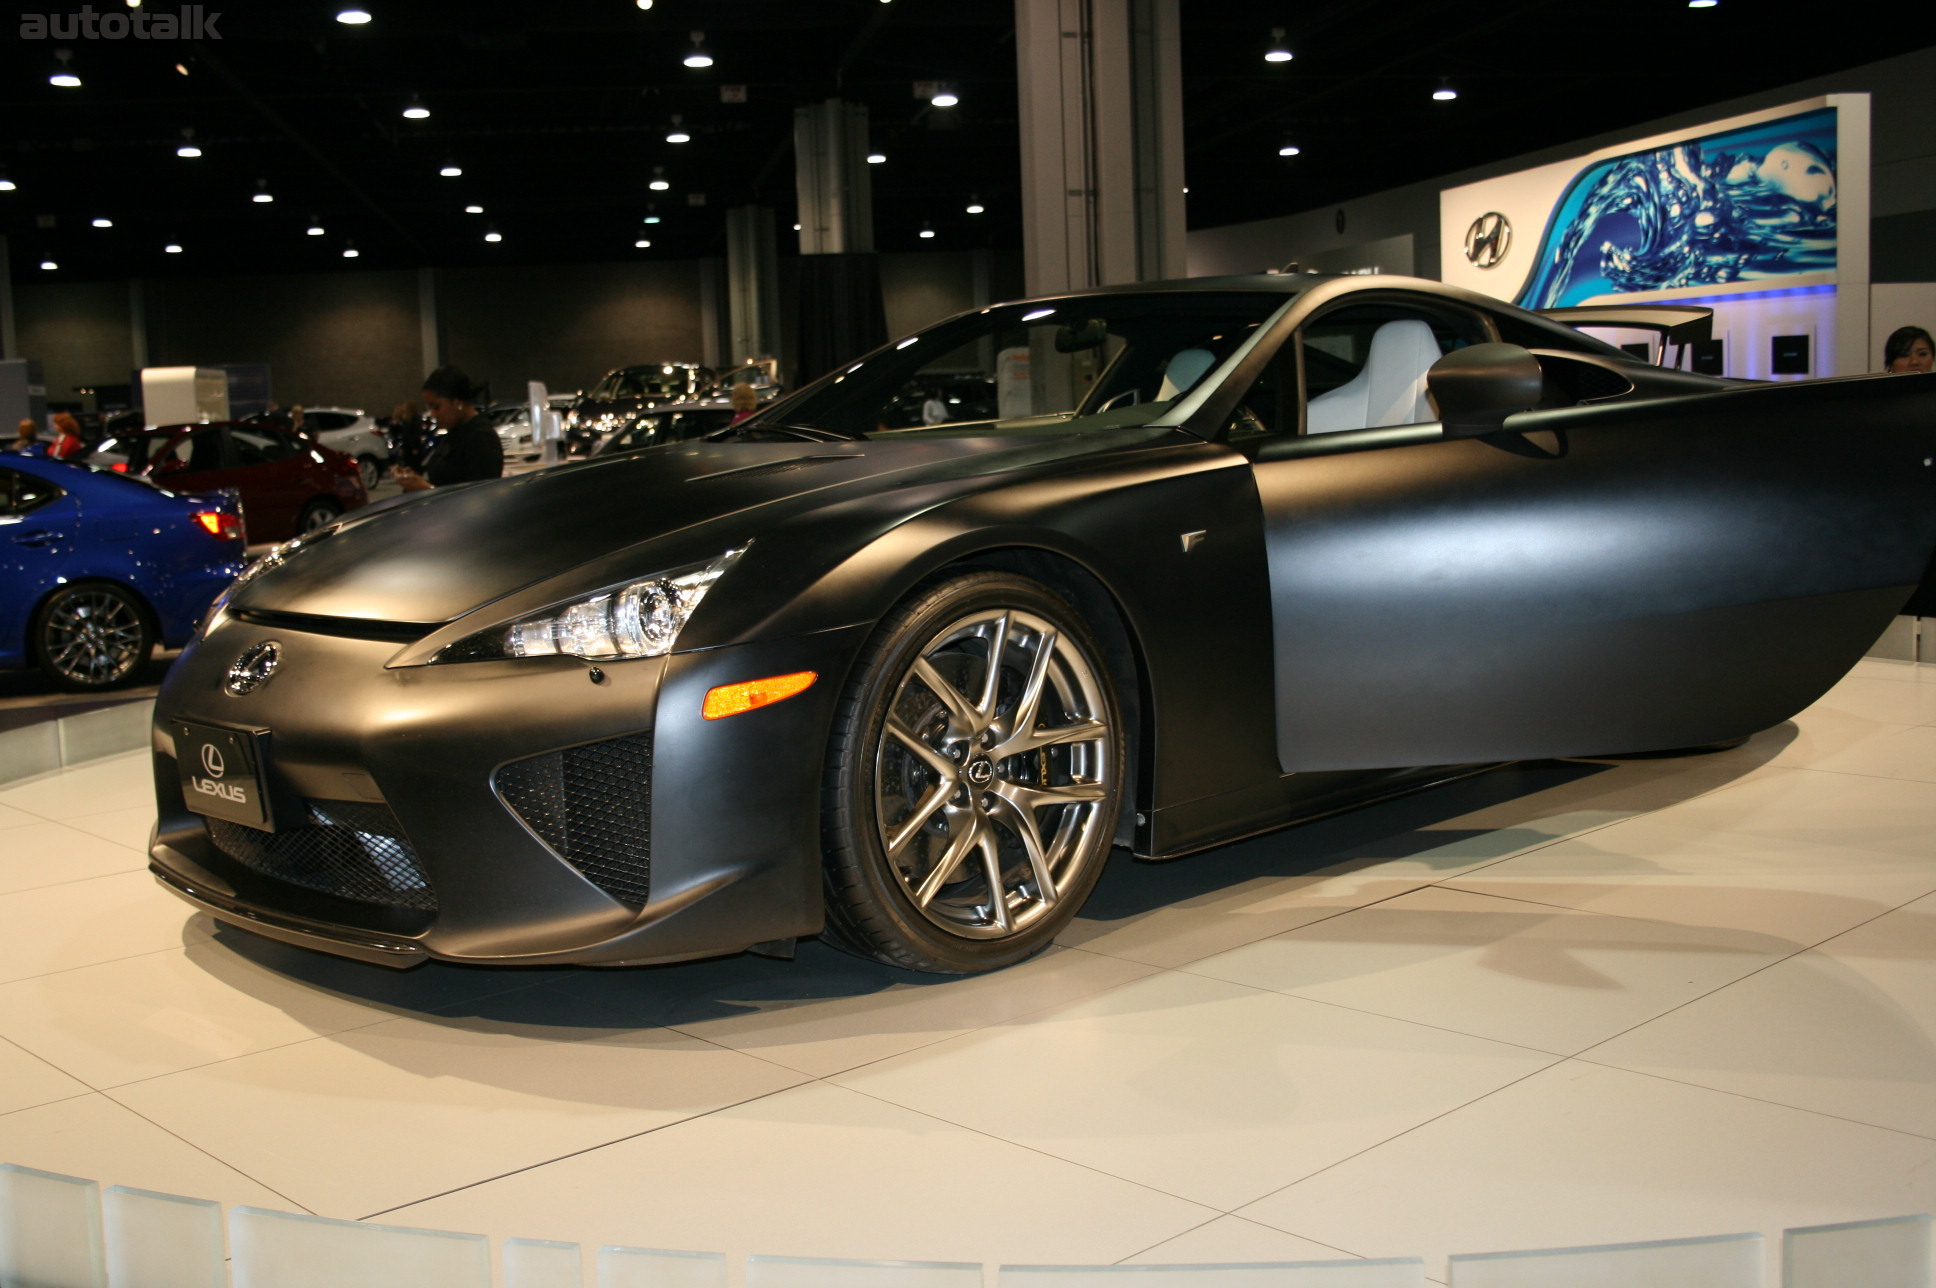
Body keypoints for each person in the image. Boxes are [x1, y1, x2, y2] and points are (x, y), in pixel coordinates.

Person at [392, 366, 501, 491]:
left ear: (457, 402)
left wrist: (426, 489)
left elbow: (480, 495)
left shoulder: (482, 438)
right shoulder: (456, 432)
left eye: (436, 407)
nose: (433, 414)